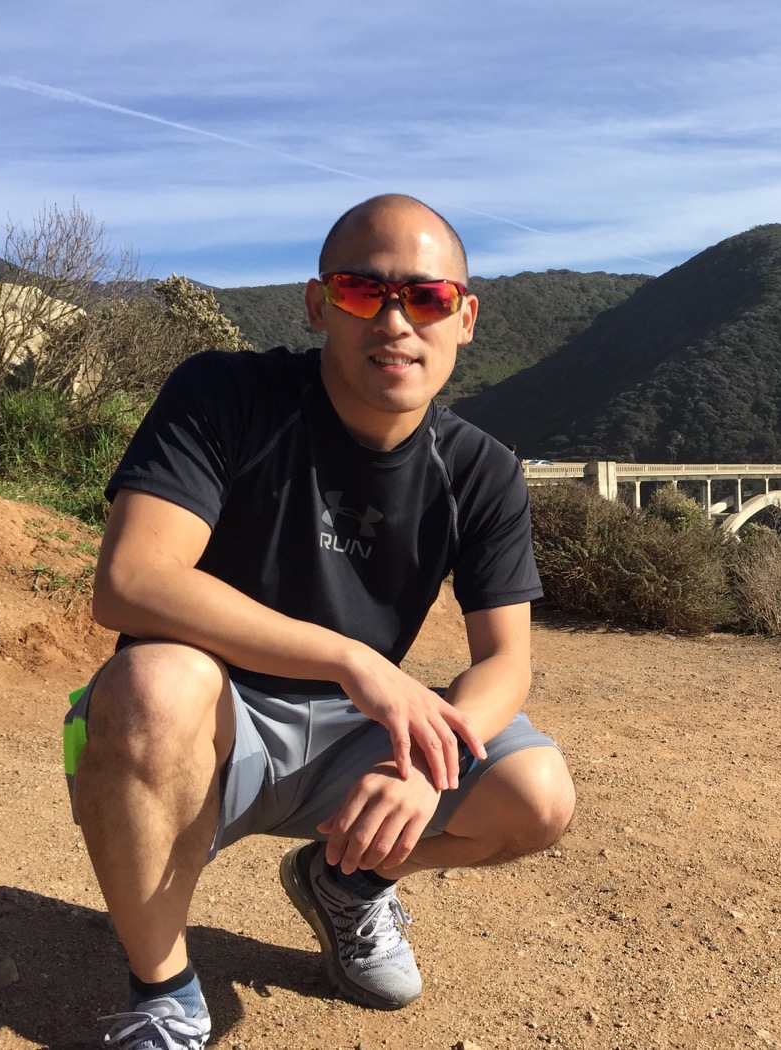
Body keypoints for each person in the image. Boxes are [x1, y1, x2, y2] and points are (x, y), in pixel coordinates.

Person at [63, 194, 576, 1049]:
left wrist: (427, 769)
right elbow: (130, 581)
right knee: (153, 683)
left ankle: (346, 878)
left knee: (538, 793)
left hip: (354, 741)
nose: (395, 320)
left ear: (466, 317)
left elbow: (505, 664)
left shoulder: (481, 472)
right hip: (208, 726)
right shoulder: (228, 395)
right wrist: (354, 661)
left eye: (428, 297)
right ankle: (164, 998)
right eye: (360, 291)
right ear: (317, 305)